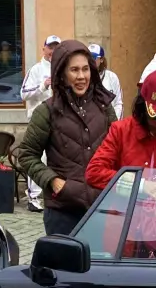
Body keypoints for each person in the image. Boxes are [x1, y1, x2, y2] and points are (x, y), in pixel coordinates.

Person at [13, 40, 117, 236]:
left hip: (101, 205)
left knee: (100, 266)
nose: (81, 76)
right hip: (63, 210)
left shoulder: (104, 107)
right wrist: (53, 181)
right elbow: (27, 154)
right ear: (61, 73)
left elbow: (119, 148)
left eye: (86, 69)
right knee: (64, 267)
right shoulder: (47, 111)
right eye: (74, 70)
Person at [22, 36, 62, 117]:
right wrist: (43, 86)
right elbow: (24, 94)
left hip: (60, 119)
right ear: (44, 50)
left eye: (56, 48)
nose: (53, 51)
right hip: (39, 119)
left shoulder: (65, 69)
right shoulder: (35, 70)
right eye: (50, 48)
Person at [90, 43, 124, 119]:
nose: (90, 61)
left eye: (93, 58)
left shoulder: (112, 77)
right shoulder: (85, 78)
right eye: (88, 58)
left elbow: (118, 103)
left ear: (101, 59)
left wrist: (115, 124)